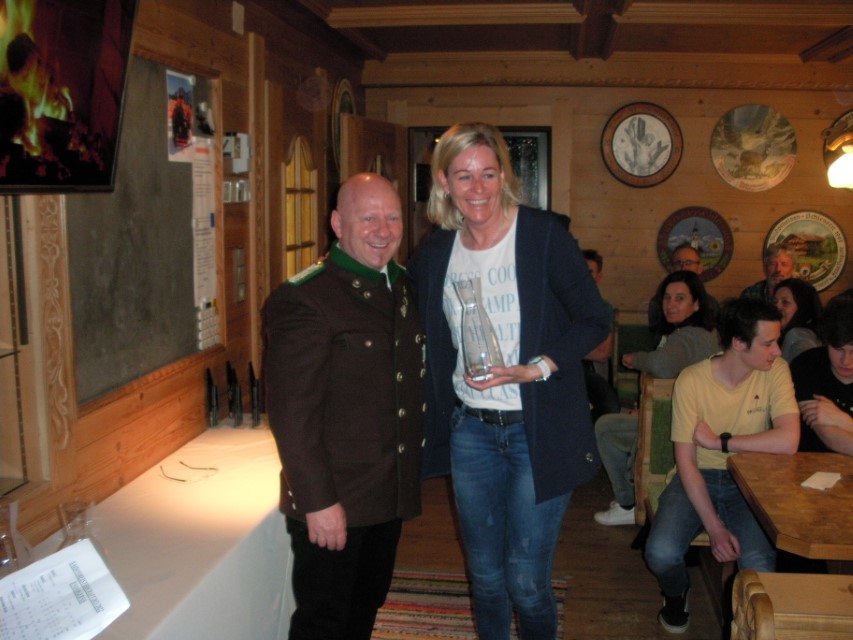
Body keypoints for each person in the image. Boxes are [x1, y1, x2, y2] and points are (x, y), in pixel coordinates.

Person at [408, 122, 609, 639]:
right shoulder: (436, 253)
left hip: (537, 430)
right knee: (485, 576)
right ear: (444, 182)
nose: (478, 188)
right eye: (464, 176)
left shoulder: (543, 236)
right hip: (471, 432)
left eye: (488, 173)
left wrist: (537, 366)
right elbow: (412, 326)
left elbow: (595, 320)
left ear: (504, 175)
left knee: (525, 580)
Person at [263, 173, 423, 640]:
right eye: (368, 218)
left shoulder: (402, 284)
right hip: (336, 498)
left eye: (392, 217)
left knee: (365, 607)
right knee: (323, 623)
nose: (383, 230)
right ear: (337, 223)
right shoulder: (305, 299)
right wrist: (318, 501)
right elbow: (292, 417)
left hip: (386, 493)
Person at [644, 298, 800, 633]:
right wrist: (714, 528)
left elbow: (789, 441)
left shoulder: (776, 371)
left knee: (760, 570)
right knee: (660, 553)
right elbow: (686, 462)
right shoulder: (692, 380)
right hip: (697, 476)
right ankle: (676, 593)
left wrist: (721, 443)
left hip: (750, 480)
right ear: (739, 343)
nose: (777, 351)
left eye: (777, 342)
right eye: (768, 343)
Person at [594, 271, 719, 526]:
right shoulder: (696, 333)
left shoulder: (690, 335)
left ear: (696, 304)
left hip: (683, 429)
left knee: (605, 427)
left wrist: (636, 358)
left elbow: (663, 365)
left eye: (680, 298)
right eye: (667, 298)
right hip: (686, 421)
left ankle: (629, 503)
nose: (671, 304)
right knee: (616, 421)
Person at [791, 294, 853, 455]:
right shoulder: (807, 365)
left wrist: (844, 420)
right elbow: (829, 435)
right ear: (826, 342)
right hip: (810, 464)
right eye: (838, 349)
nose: (846, 361)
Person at [582, 249, 621, 421]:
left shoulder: (604, 309)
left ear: (599, 277)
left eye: (589, 272)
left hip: (589, 370)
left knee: (610, 407)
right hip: (560, 369)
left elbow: (602, 353)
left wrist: (568, 348)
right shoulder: (559, 306)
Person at [648, 244, 719, 327]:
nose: (683, 267)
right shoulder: (658, 302)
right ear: (671, 269)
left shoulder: (710, 304)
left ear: (700, 268)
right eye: (678, 263)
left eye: (689, 263)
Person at [773, 277, 822, 362]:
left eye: (785, 302)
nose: (777, 307)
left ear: (803, 307)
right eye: (774, 302)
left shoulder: (798, 336)